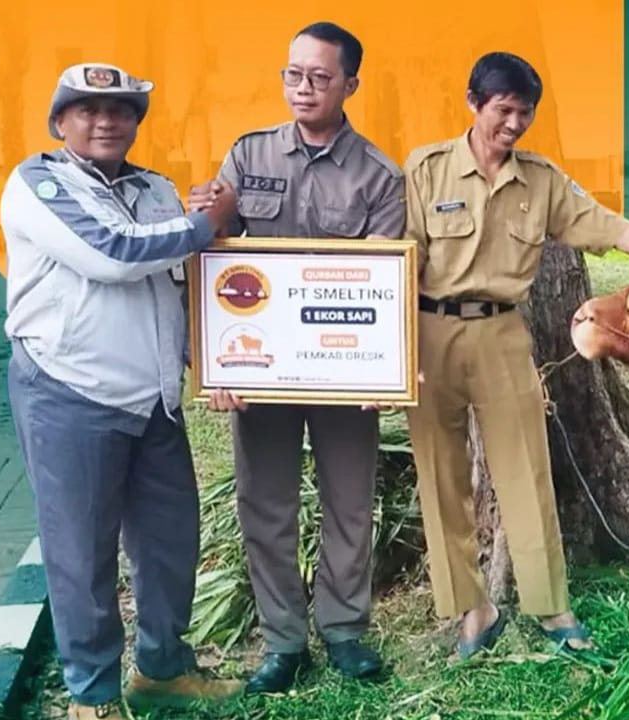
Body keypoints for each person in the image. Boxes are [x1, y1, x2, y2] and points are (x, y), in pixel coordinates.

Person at [402, 51, 629, 659]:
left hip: (503, 333)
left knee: (526, 469)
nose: (514, 125)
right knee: (442, 476)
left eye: (524, 113)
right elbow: (400, 259)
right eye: (503, 110)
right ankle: (472, 606)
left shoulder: (542, 180)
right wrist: (397, 349)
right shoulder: (425, 170)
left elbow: (603, 225)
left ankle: (551, 605)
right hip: (426, 333)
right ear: (473, 102)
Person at [1, 64, 243, 719]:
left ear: (136, 122)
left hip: (153, 399)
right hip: (71, 395)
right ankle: (93, 696)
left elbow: (182, 282)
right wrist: (205, 224)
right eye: (87, 109)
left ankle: (162, 670)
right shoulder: (38, 182)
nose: (105, 120)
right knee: (82, 555)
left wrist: (216, 365)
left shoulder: (156, 188)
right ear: (61, 122)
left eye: (120, 110)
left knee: (170, 546)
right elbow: (113, 253)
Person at [189, 22, 405, 693]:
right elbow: (212, 250)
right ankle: (283, 641)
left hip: (345, 377)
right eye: (293, 74)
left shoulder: (379, 176)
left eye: (319, 77)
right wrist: (215, 368)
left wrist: (383, 371)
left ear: (350, 85)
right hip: (259, 374)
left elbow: (386, 286)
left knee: (348, 503)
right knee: (266, 504)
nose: (303, 88)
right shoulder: (247, 157)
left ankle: (344, 630)